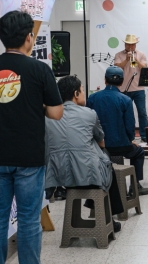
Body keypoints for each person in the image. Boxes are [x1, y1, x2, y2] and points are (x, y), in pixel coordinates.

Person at [0, 10, 63, 264]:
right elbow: (57, 113)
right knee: (29, 219)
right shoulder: (39, 70)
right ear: (28, 38)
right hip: (29, 157)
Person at [44, 76, 123, 233]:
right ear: (76, 93)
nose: (83, 93)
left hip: (58, 177)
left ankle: (94, 205)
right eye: (82, 90)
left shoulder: (47, 115)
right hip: (88, 175)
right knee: (105, 160)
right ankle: (109, 216)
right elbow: (101, 141)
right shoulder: (89, 114)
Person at [87, 66, 148, 196]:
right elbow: (130, 125)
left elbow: (88, 123)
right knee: (138, 153)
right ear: (122, 82)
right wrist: (130, 140)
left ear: (105, 80)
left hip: (99, 147)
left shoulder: (92, 98)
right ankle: (135, 185)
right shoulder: (125, 99)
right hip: (121, 146)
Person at [113, 34, 148, 143]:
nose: (130, 47)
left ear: (135, 45)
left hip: (138, 88)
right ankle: (129, 135)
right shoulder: (119, 55)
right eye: (128, 44)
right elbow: (116, 67)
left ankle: (144, 135)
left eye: (132, 45)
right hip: (124, 89)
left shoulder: (141, 54)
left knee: (142, 112)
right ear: (125, 44)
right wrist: (126, 60)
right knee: (127, 113)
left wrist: (135, 60)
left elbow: (145, 68)